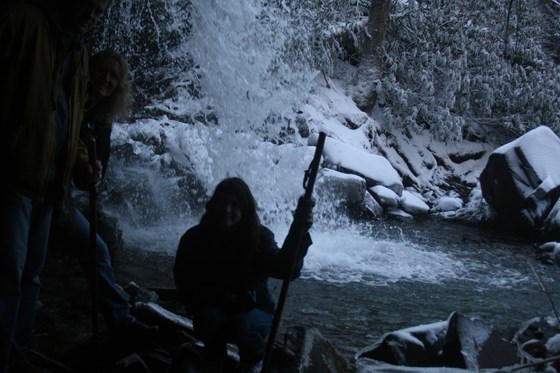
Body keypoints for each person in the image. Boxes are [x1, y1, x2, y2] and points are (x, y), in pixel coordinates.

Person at [0, 0, 110, 372]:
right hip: (14, 175)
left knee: (30, 278)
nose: (92, 17)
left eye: (98, 13)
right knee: (8, 277)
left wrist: (82, 164)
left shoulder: (78, 52)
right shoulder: (21, 19)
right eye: (90, 7)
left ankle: (17, 356)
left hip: (49, 188)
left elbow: (69, 123)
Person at [50, 49, 158, 339]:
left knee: (97, 249)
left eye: (114, 76)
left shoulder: (102, 119)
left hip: (58, 198)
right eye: (102, 71)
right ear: (89, 70)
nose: (106, 79)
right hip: (43, 193)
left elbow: (93, 174)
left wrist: (91, 173)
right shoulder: (69, 101)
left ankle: (120, 321)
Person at [173, 177, 314, 373]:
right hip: (211, 308)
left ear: (245, 209)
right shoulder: (194, 238)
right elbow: (183, 278)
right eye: (223, 203)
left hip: (256, 312)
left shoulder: (259, 237)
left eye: (235, 205)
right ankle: (214, 357)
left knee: (242, 322)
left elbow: (284, 268)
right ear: (213, 205)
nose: (227, 210)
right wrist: (209, 298)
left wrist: (299, 228)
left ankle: (252, 362)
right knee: (208, 317)